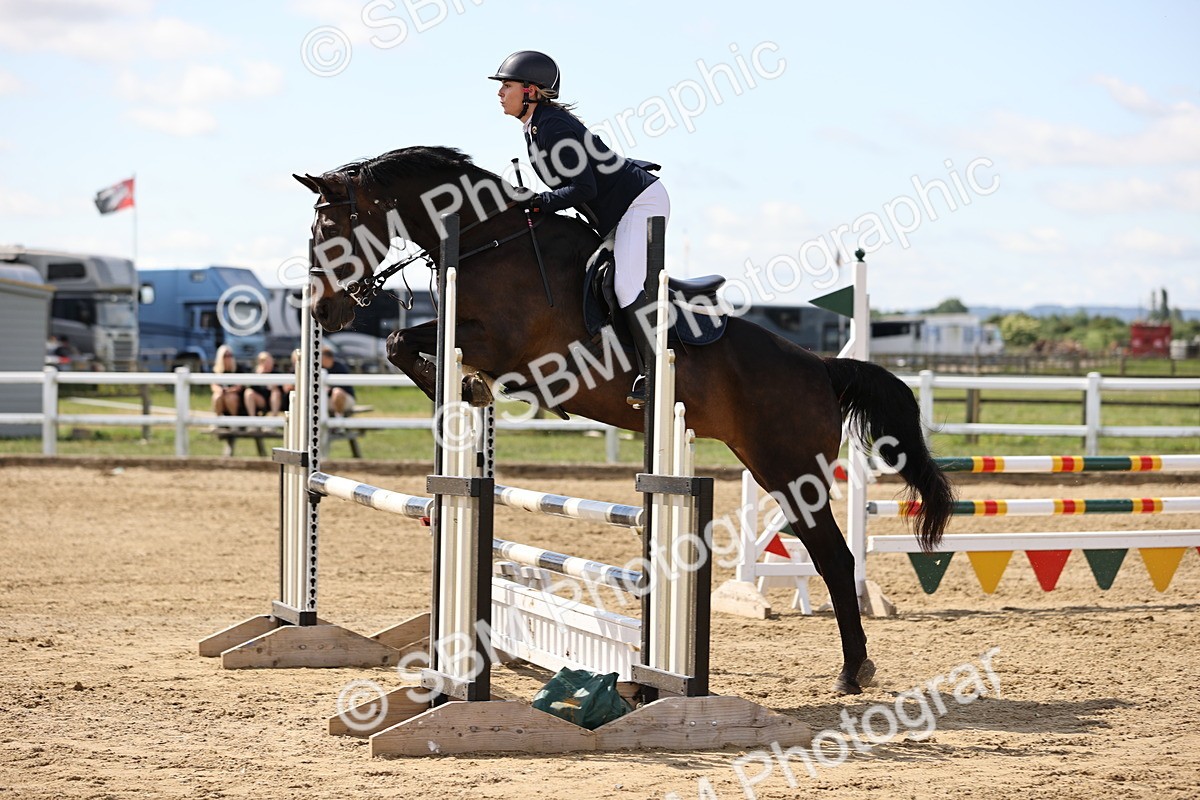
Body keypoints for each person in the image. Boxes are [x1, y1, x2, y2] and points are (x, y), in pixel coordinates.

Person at [490, 50, 668, 405]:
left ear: (530, 91)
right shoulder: (537, 127)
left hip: (639, 203)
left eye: (507, 86)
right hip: (618, 209)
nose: (500, 93)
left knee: (625, 284)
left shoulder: (552, 127)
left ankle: (654, 374)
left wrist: (538, 201)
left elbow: (585, 189)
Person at [243, 351, 282, 416]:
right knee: (248, 393)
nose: (268, 363)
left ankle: (274, 419)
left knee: (276, 392)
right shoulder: (255, 372)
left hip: (273, 399)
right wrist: (258, 376)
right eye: (264, 361)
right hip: (261, 399)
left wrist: (274, 386)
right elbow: (249, 386)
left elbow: (283, 388)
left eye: (269, 361)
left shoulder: (276, 372)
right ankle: (252, 419)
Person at [321, 345, 356, 416]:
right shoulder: (319, 367)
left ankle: (338, 418)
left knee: (337, 392)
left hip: (343, 398)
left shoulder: (340, 367)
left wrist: (329, 390)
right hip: (326, 398)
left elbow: (343, 387)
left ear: (328, 358)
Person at [210, 344, 245, 416]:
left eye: (230, 355)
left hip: (235, 396)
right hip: (222, 394)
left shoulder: (238, 368)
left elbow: (240, 386)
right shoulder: (216, 370)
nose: (228, 358)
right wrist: (221, 391)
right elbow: (213, 385)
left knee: (230, 397)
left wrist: (229, 390)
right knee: (217, 397)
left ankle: (233, 420)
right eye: (225, 356)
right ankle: (218, 420)